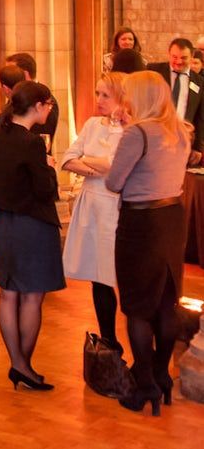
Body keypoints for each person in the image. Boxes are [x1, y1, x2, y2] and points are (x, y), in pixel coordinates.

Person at [105, 70, 193, 413]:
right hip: (172, 219)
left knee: (138, 307)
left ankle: (145, 386)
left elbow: (114, 182)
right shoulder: (180, 131)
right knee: (166, 302)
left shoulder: (137, 132)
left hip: (141, 223)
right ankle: (161, 375)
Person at [0, 80, 63, 391]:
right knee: (32, 296)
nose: (50, 110)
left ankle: (19, 363)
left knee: (8, 293)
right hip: (33, 224)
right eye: (49, 105)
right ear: (39, 105)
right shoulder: (32, 142)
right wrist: (49, 167)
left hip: (6, 223)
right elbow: (44, 190)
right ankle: (21, 365)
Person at [60, 72, 126, 351]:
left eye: (105, 95)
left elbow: (116, 165)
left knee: (119, 272)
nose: (98, 100)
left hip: (116, 207)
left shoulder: (131, 130)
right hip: (92, 204)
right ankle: (108, 337)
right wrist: (96, 166)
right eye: (97, 93)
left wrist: (88, 163)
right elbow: (67, 159)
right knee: (98, 276)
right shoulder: (91, 124)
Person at [146, 37, 204, 165]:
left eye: (183, 58)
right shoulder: (153, 71)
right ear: (168, 54)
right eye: (174, 57)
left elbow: (200, 117)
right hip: (154, 138)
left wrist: (198, 148)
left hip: (182, 141)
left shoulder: (199, 82)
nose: (178, 61)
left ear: (192, 56)